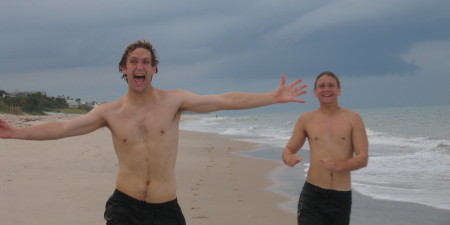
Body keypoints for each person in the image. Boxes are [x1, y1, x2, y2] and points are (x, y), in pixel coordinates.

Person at [0, 39, 308, 225]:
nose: (140, 65)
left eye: (146, 61)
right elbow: (63, 128)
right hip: (125, 206)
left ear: (154, 69)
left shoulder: (174, 101)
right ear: (123, 69)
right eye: (133, 61)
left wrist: (271, 97)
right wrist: (15, 132)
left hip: (165, 208)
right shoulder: (110, 112)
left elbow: (224, 100)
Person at [282, 71, 368, 225]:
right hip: (313, 193)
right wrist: (288, 157)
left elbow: (362, 158)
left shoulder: (353, 119)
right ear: (315, 92)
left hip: (341, 196)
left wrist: (339, 166)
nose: (326, 89)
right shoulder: (306, 119)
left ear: (339, 90)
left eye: (331, 85)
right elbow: (289, 149)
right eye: (321, 86)